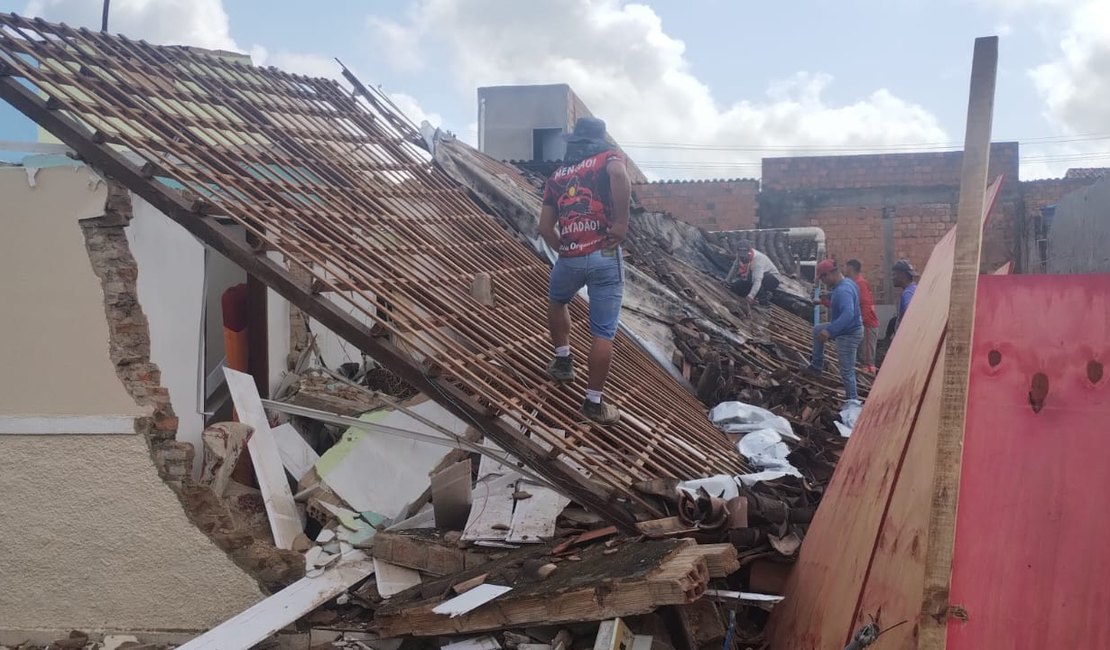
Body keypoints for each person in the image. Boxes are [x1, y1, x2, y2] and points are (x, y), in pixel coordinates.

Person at [539, 117, 631, 425]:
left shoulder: (557, 177)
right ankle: (593, 403)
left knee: (557, 300)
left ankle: (563, 360)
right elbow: (618, 174)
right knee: (602, 332)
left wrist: (564, 248)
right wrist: (620, 223)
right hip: (605, 253)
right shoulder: (609, 158)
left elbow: (544, 227)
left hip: (571, 257)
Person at [804, 259, 864, 404]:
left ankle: (852, 401)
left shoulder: (843, 290)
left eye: (823, 278)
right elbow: (837, 298)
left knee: (847, 371)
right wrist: (824, 299)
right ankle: (816, 366)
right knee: (818, 329)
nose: (823, 282)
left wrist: (830, 331)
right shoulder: (846, 284)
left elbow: (848, 314)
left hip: (849, 333)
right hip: (846, 328)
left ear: (830, 274)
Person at [844, 259, 879, 373]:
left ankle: (870, 385)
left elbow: (865, 306)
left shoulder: (860, 284)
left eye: (846, 268)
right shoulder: (854, 284)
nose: (844, 271)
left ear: (851, 269)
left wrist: (860, 323)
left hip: (867, 325)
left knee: (867, 359)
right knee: (862, 356)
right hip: (862, 325)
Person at [892, 259, 918, 332]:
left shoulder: (907, 294)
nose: (892, 278)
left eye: (894, 274)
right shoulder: (915, 289)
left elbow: (910, 317)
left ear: (902, 275)